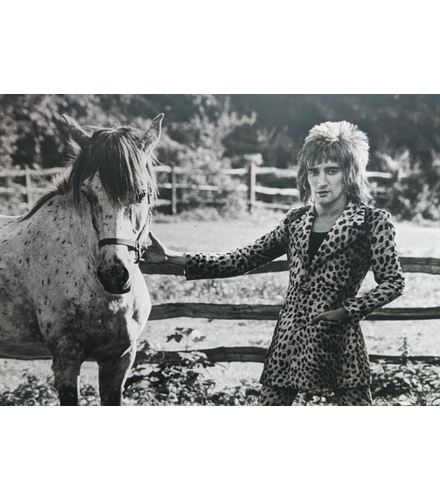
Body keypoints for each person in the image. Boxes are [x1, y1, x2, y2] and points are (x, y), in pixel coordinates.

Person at [144, 121, 405, 406]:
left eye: (332, 171)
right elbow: (241, 259)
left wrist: (347, 311)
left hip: (340, 342)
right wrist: (171, 257)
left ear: (350, 175)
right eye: (313, 171)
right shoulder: (295, 221)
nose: (320, 181)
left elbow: (393, 282)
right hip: (288, 343)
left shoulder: (372, 221)